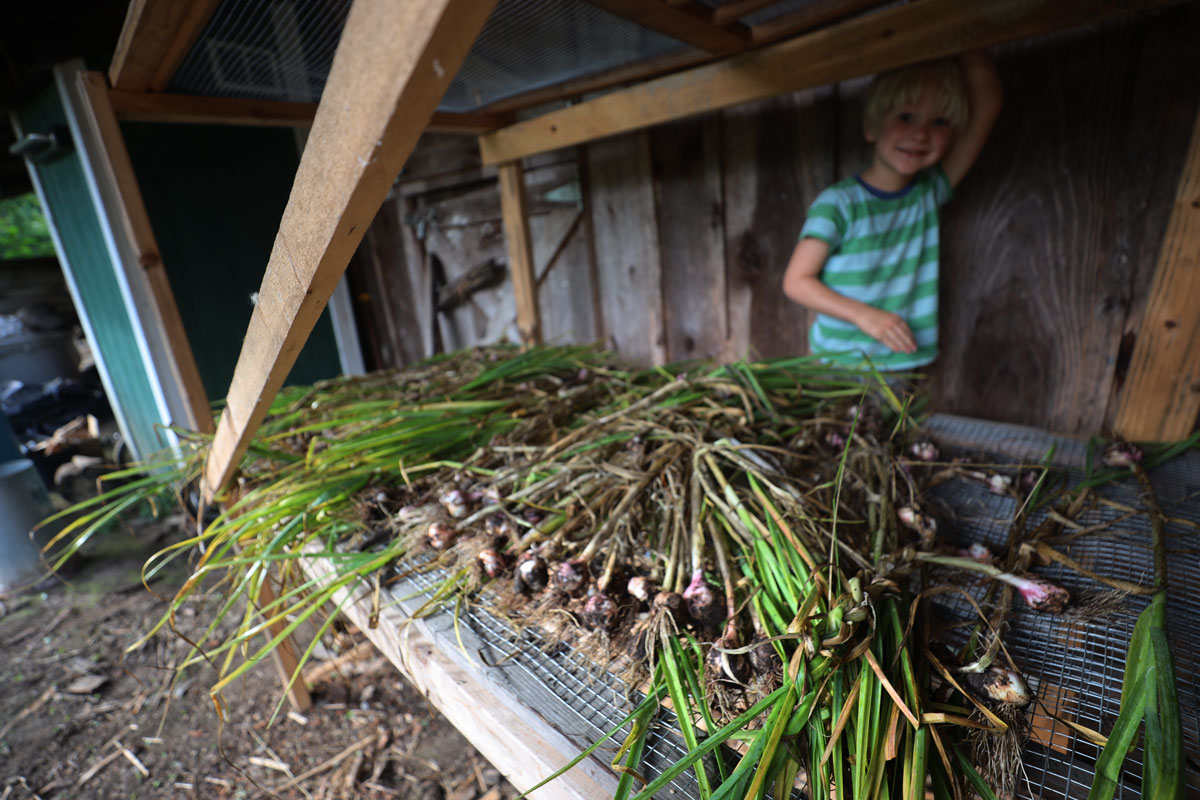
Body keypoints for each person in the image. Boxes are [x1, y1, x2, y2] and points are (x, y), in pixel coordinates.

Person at [781, 51, 1003, 371]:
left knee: (897, 423)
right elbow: (797, 282)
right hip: (839, 366)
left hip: (902, 362)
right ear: (871, 127)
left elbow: (988, 105)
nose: (921, 133)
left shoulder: (926, 194)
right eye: (906, 117)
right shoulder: (839, 203)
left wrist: (963, 33)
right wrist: (863, 315)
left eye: (939, 121)